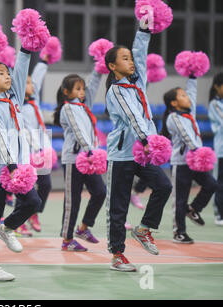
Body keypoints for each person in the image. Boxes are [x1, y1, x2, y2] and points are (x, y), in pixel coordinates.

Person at [104, 20, 172, 272]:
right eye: (124, 59)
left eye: (130, 58)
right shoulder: (117, 90)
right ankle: (117, 255)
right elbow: (133, 116)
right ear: (112, 66)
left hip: (142, 154)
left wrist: (143, 31)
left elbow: (141, 56)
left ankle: (143, 229)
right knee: (118, 206)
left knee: (164, 186)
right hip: (123, 154)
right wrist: (147, 141)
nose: (131, 62)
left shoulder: (137, 84)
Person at [0, 48, 42, 281]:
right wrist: (13, 166)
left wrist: (25, 49)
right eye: (1, 73)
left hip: (16, 167)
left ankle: (9, 228)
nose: (8, 76)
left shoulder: (13, 99)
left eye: (8, 73)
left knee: (34, 202)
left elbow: (22, 68)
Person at [53, 69, 106, 252]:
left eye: (83, 89)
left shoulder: (84, 108)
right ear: (67, 92)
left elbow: (93, 87)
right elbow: (78, 130)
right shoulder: (68, 108)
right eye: (77, 89)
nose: (82, 92)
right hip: (74, 160)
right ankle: (67, 240)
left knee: (100, 192)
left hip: (88, 158)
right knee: (72, 201)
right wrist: (90, 150)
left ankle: (83, 228)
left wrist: (98, 69)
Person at [161, 78, 218, 243]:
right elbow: (185, 134)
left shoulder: (188, 115)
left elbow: (192, 94)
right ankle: (179, 232)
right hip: (181, 163)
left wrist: (192, 77)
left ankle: (193, 209)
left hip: (196, 161)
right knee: (180, 199)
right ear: (174, 102)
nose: (187, 98)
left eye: (186, 95)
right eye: (183, 96)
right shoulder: (173, 117)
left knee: (212, 184)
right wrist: (196, 150)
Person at [14, 57, 53, 236]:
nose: (32, 85)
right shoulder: (18, 106)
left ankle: (34, 214)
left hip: (40, 151)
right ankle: (19, 221)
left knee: (46, 185)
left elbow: (37, 78)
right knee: (25, 187)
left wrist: (44, 61)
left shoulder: (34, 101)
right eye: (28, 83)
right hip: (26, 153)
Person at [208, 72, 223, 226]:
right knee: (219, 182)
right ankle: (219, 213)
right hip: (221, 151)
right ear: (217, 87)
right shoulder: (215, 104)